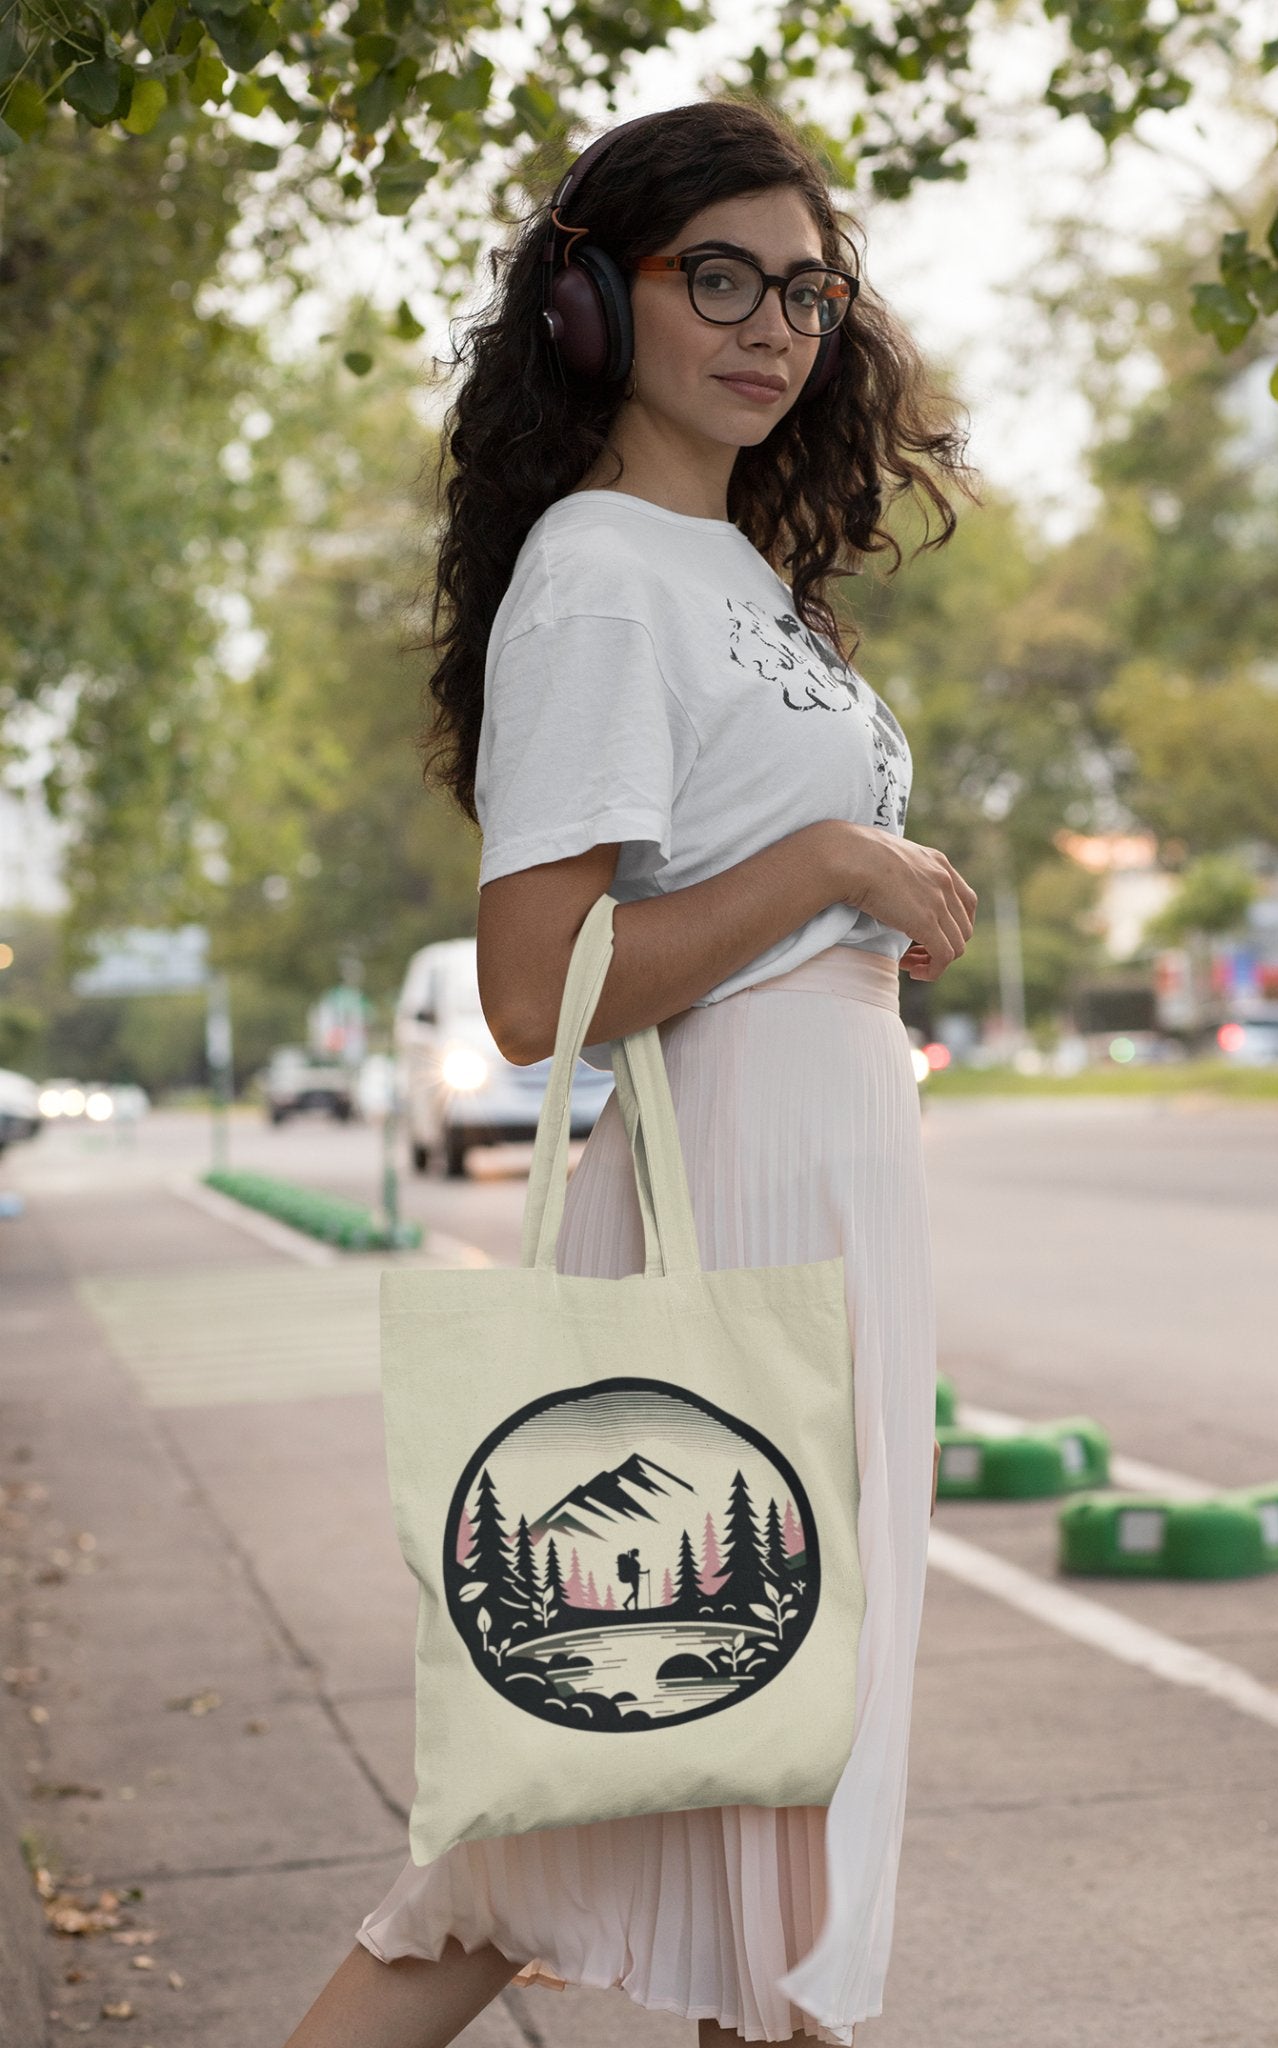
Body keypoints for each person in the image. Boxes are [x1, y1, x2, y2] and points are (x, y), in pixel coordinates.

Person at [283, 92, 977, 2048]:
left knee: (728, 1795)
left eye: (807, 290)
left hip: (823, 1184)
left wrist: (861, 911)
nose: (772, 326)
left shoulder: (731, 568)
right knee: (666, 1783)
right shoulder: (595, 566)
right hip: (724, 1202)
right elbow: (532, 990)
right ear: (594, 302)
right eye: (720, 278)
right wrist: (830, 868)